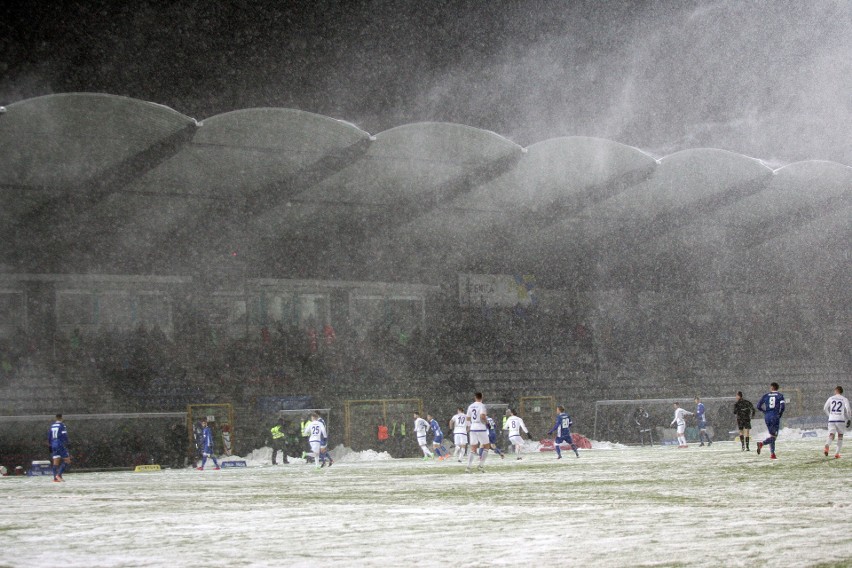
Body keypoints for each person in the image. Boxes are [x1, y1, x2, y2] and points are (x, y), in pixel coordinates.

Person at [756, 382, 785, 460]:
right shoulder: (780, 396)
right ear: (777, 388)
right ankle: (761, 444)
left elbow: (758, 406)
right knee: (774, 437)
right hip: (775, 416)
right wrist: (780, 414)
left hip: (767, 417)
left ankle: (772, 454)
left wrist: (765, 412)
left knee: (772, 435)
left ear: (772, 388)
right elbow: (782, 407)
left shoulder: (766, 396)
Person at [823, 386, 851, 459]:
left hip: (832, 419)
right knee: (840, 437)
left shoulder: (831, 398)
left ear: (836, 391)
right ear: (842, 392)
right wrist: (849, 419)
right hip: (840, 420)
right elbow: (848, 410)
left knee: (831, 435)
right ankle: (837, 454)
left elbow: (825, 408)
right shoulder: (844, 399)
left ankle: (827, 445)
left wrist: (830, 415)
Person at [465, 392, 490, 472]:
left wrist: (468, 426)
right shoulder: (482, 405)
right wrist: (487, 422)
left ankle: (468, 467)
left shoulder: (470, 406)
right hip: (480, 427)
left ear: (475, 397)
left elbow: (468, 418)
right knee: (486, 446)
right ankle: (481, 466)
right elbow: (482, 416)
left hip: (473, 427)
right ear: (482, 397)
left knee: (473, 448)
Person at [48, 414, 71, 482]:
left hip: (53, 444)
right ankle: (59, 474)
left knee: (56, 462)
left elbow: (49, 436)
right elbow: (64, 435)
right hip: (60, 443)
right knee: (67, 460)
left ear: (56, 418)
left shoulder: (52, 426)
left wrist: (50, 445)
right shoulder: (62, 425)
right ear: (61, 418)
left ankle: (55, 478)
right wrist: (68, 443)